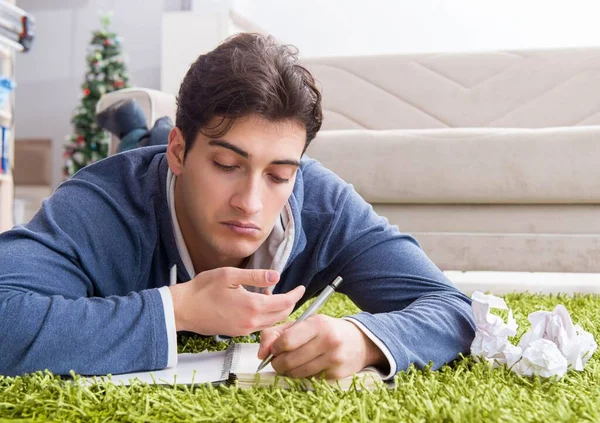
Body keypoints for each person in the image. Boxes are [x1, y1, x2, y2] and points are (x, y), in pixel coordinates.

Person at [0, 33, 475, 380]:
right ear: (181, 151)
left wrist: (366, 340)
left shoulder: (323, 204)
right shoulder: (99, 203)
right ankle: (139, 128)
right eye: (227, 164)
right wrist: (176, 309)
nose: (250, 203)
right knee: (141, 144)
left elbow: (453, 309)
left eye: (279, 175)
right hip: (147, 164)